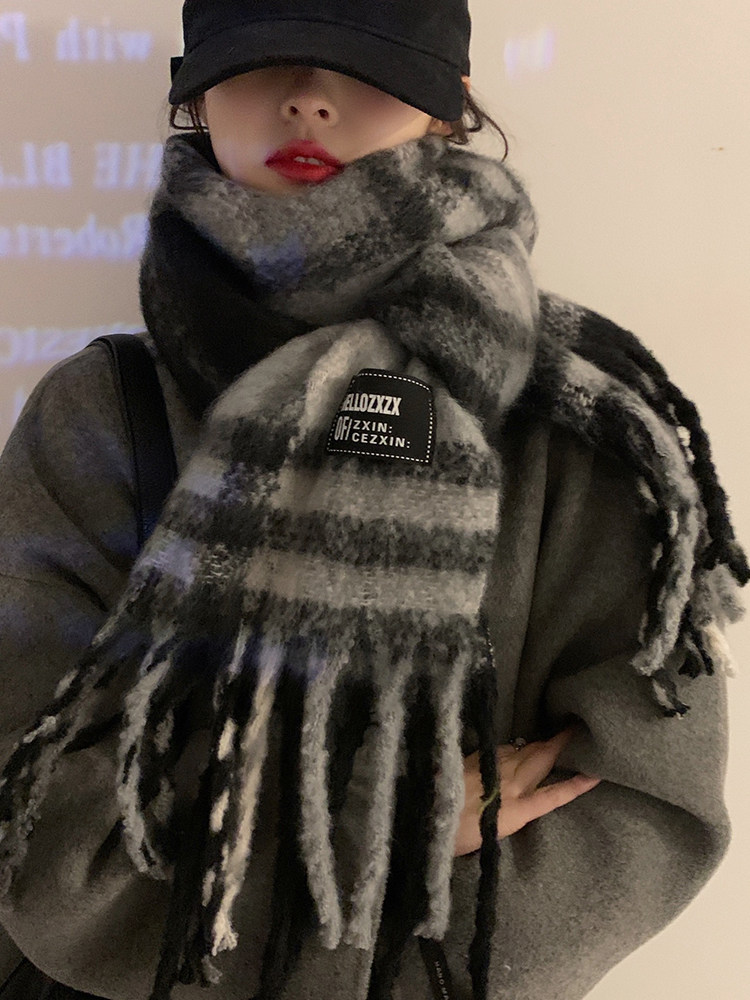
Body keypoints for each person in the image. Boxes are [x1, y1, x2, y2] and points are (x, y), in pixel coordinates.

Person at [0, 2, 745, 999]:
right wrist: (387, 843)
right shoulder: (97, 410)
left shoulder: (582, 419)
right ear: (197, 91)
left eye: (368, 63)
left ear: (450, 105)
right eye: (263, 57)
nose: (308, 99)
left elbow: (645, 800)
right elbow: (37, 830)